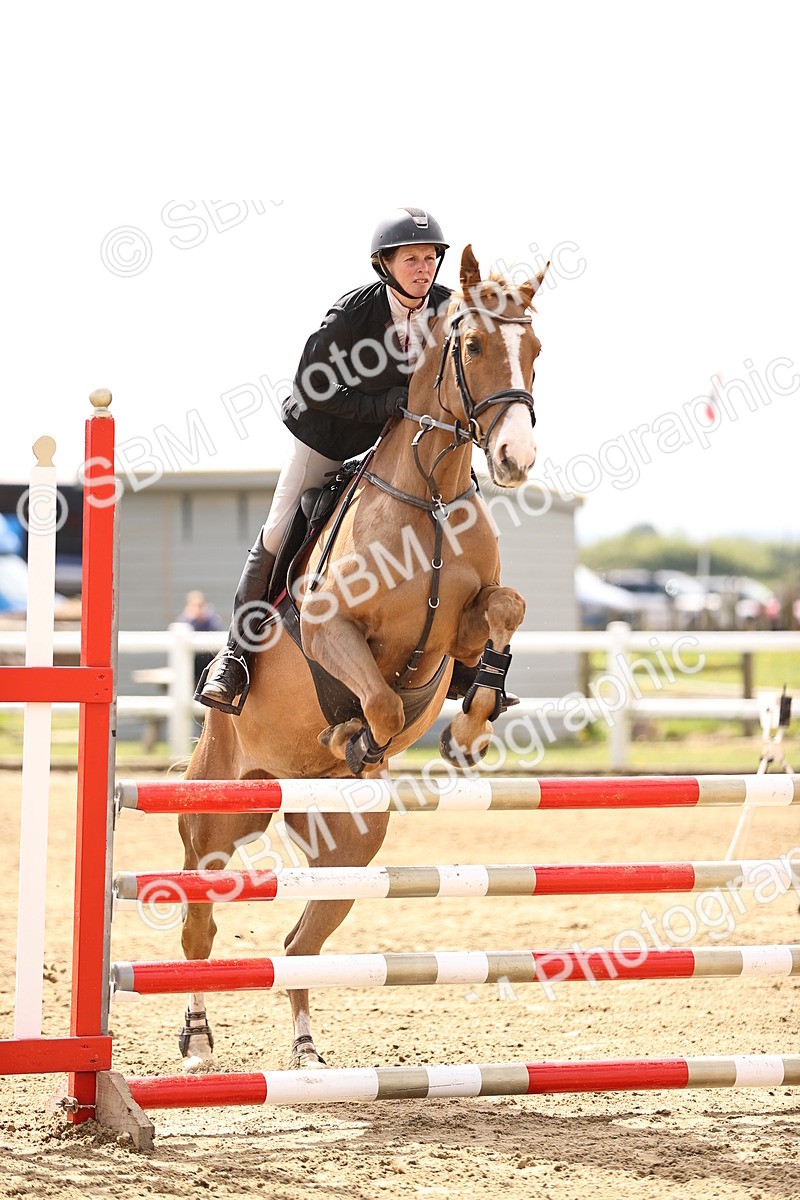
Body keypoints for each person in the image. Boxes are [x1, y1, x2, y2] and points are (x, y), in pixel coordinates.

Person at [198, 206, 452, 714]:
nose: (423, 269)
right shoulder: (353, 313)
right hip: (330, 434)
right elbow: (312, 387)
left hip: (401, 441)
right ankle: (235, 656)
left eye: (430, 259)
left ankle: (468, 657)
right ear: (385, 264)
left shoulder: (448, 308)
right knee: (278, 528)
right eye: (411, 260)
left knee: (457, 504)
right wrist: (382, 404)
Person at [177, 590, 223, 686]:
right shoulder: (184, 621)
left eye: (200, 605)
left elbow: (215, 633)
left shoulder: (211, 620)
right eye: (194, 605)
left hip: (208, 662)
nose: (197, 609)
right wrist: (192, 619)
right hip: (190, 665)